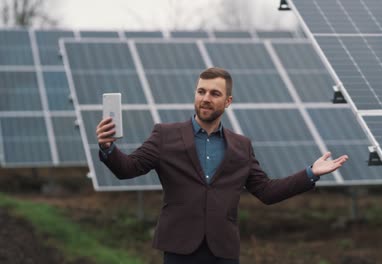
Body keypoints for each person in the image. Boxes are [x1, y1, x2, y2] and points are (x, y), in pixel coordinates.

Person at [96, 67, 348, 264]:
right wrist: (108, 148)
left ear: (227, 101)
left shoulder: (241, 146)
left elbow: (267, 191)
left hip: (223, 251)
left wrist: (310, 173)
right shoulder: (165, 135)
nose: (206, 98)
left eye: (214, 93)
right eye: (201, 91)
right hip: (179, 247)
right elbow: (128, 169)